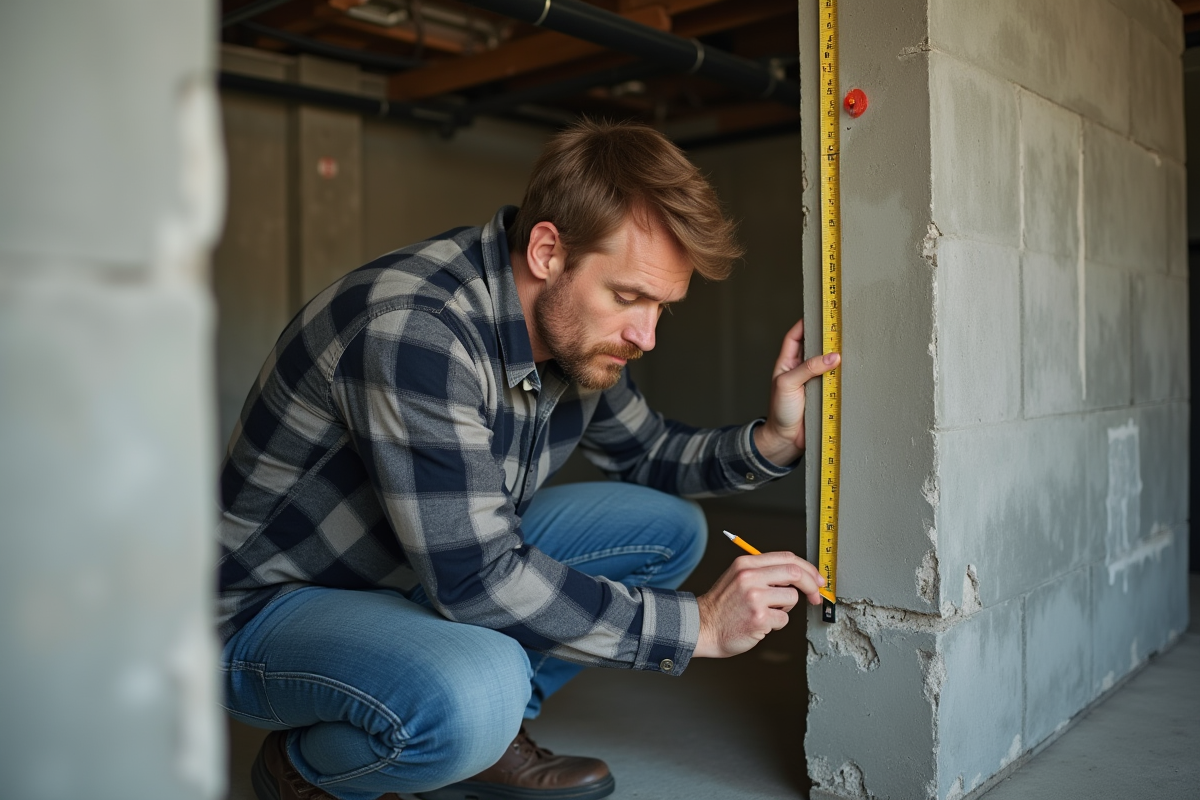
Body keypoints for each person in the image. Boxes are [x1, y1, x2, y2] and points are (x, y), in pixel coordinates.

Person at [217, 119, 839, 800]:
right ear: (547, 250)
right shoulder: (416, 329)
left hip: (414, 574)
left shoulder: (579, 335)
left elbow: (650, 452)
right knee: (478, 691)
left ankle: (486, 740)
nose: (646, 335)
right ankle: (306, 771)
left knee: (668, 528)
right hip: (269, 615)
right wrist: (698, 626)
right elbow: (476, 576)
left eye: (663, 307)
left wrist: (776, 441)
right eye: (629, 297)